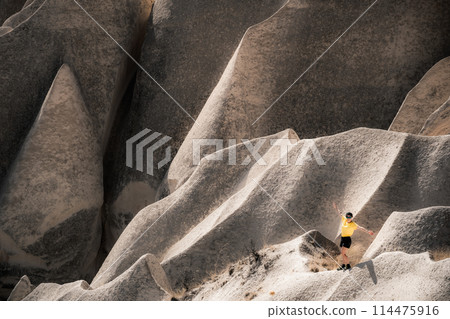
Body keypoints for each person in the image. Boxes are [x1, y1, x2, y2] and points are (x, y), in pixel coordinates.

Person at [333, 202, 374, 270]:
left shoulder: (353, 224)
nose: (348, 218)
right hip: (343, 238)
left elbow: (360, 228)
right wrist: (336, 208)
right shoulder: (344, 220)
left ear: (352, 217)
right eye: (347, 216)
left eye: (349, 217)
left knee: (343, 253)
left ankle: (347, 266)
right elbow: (340, 213)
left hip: (347, 239)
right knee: (342, 253)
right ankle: (344, 265)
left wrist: (368, 231)